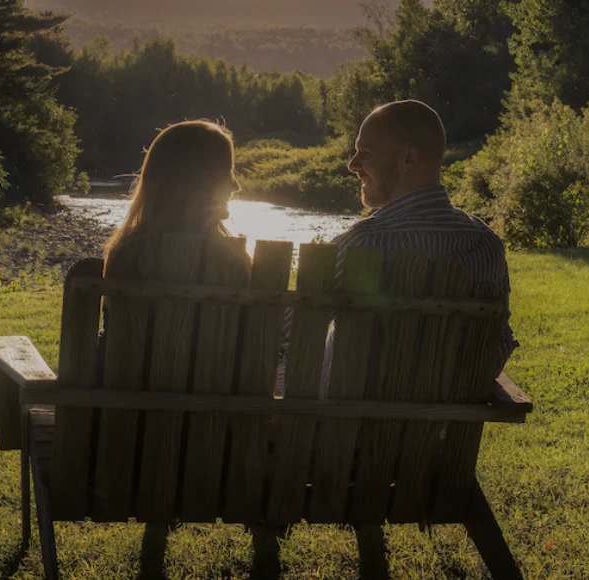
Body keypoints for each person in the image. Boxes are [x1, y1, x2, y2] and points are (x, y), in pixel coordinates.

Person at [274, 100, 518, 398]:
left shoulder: (363, 244)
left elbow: (289, 338)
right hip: (436, 442)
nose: (353, 165)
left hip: (333, 438)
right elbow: (497, 347)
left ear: (406, 159)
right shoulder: (486, 244)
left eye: (366, 154)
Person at [98, 119, 247, 579]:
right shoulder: (235, 263)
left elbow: (113, 356)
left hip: (125, 447)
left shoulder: (127, 256)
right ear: (205, 182)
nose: (237, 183)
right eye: (228, 171)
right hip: (218, 450)